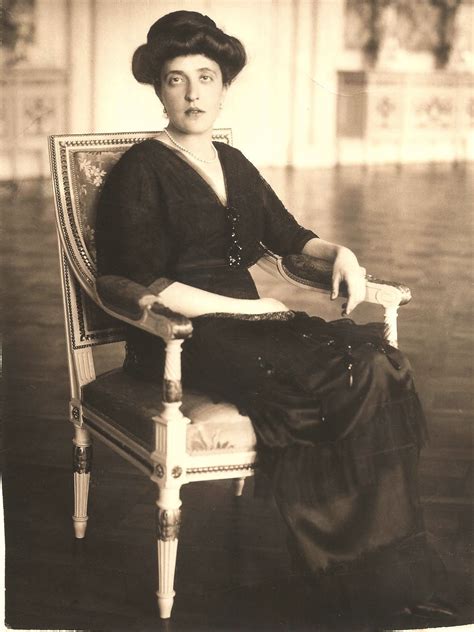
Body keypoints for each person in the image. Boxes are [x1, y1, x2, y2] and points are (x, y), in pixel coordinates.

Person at [95, 10, 453, 627]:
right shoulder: (140, 170)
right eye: (177, 80)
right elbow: (146, 284)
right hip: (183, 336)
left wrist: (340, 252)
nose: (192, 93)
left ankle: (386, 570)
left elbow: (288, 235)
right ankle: (337, 565)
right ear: (158, 90)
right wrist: (253, 307)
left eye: (205, 78)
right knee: (318, 386)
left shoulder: (232, 161)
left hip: (251, 323)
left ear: (224, 85)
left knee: (377, 365)